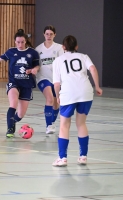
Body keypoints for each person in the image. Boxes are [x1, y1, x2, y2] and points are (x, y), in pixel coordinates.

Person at [52, 35, 102, 167]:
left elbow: (56, 84)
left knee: (64, 125)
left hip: (68, 93)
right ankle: (83, 156)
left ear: (63, 47)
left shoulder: (58, 60)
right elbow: (93, 69)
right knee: (81, 123)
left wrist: (57, 96)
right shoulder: (83, 56)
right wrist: (97, 86)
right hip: (85, 92)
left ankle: (62, 158)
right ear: (76, 47)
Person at [0, 29, 40, 138]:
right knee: (13, 103)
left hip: (27, 85)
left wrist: (34, 69)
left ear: (26, 41)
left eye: (22, 42)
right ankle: (9, 129)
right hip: (14, 83)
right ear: (15, 42)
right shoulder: (11, 52)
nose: (20, 44)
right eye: (18, 42)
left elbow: (37, 66)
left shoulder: (32, 53)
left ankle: (13, 122)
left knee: (20, 114)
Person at [35, 25, 64, 134]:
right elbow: (36, 64)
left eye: (51, 34)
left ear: (54, 35)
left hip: (56, 80)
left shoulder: (59, 48)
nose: (49, 36)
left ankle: (51, 121)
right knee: (50, 99)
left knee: (56, 104)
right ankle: (49, 126)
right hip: (43, 78)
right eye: (47, 34)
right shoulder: (38, 49)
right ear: (44, 35)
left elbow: (62, 63)